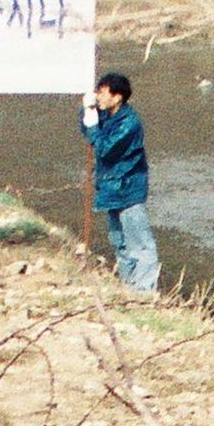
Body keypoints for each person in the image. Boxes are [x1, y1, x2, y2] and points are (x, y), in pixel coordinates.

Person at [81, 70, 156, 294]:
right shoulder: (109, 117)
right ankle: (128, 287)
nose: (99, 97)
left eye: (102, 93)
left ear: (117, 97)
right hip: (111, 190)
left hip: (128, 189)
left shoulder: (129, 124)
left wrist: (93, 125)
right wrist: (86, 111)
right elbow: (89, 130)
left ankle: (144, 291)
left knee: (140, 243)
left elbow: (104, 149)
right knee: (119, 241)